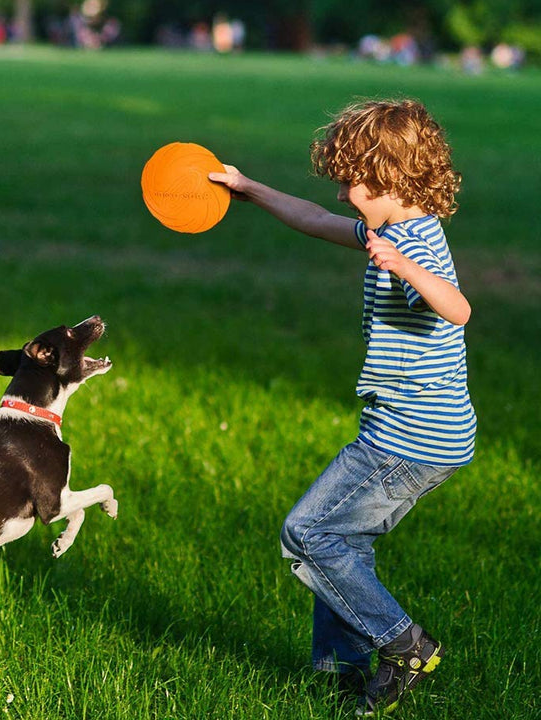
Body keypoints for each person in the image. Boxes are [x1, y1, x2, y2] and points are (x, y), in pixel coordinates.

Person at [209, 99, 476, 716]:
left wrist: (406, 266)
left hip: (410, 440)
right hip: (413, 432)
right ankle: (340, 671)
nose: (345, 193)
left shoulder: (416, 246)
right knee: (345, 542)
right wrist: (248, 187)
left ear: (396, 181)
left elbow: (459, 309)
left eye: (356, 181)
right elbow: (313, 219)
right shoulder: (389, 228)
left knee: (308, 533)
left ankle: (403, 643)